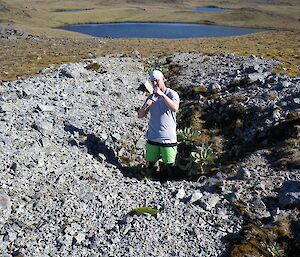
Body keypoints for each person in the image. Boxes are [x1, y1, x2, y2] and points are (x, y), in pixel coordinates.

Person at [138, 70, 180, 178]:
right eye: (153, 81)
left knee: (170, 165)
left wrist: (162, 96)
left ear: (164, 79)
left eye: (157, 81)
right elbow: (140, 115)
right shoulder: (151, 97)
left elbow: (175, 108)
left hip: (168, 138)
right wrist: (146, 105)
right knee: (152, 164)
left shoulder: (172, 94)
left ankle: (170, 185)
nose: (155, 84)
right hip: (153, 137)